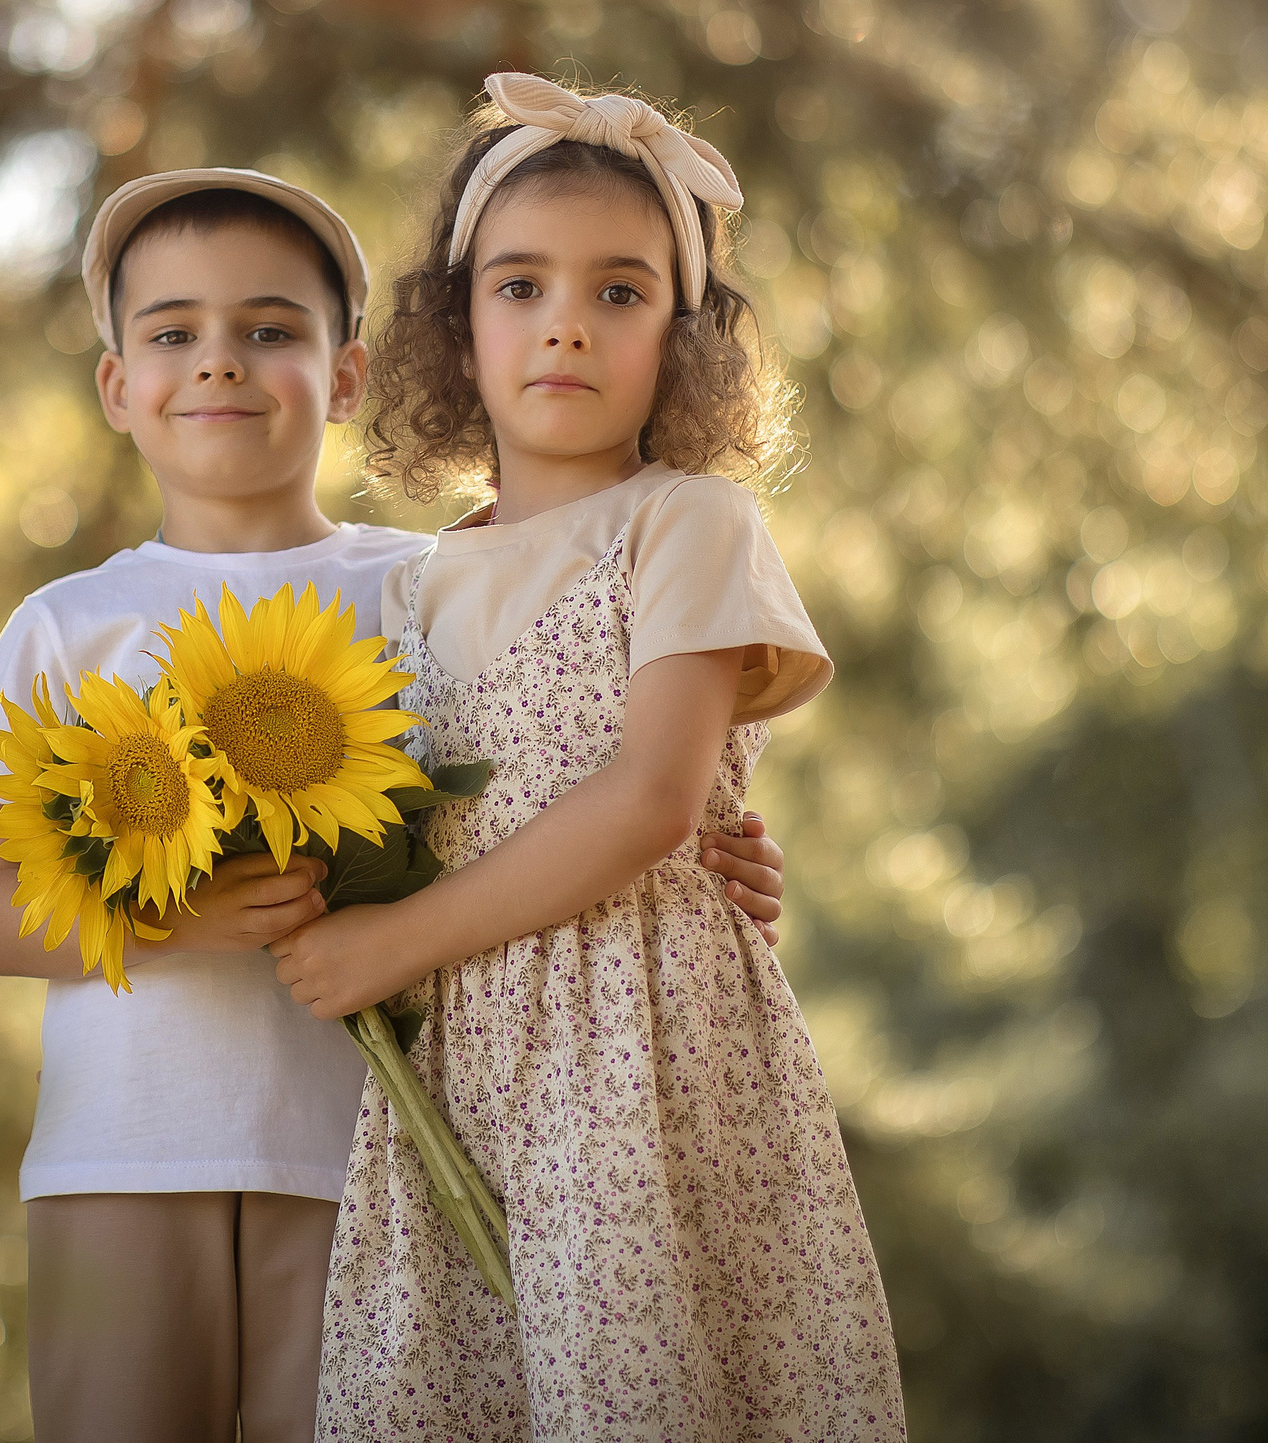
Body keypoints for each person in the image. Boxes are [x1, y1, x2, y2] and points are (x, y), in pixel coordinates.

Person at [0, 166, 797, 1443]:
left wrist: (712, 858)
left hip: (369, 1157)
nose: (219, 364)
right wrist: (192, 919)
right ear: (118, 386)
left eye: (269, 331)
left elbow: (556, 777)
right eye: (172, 334)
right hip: (122, 1149)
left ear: (346, 377)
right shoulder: (66, 625)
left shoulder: (426, 588)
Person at [270, 76, 907, 1441]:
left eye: (620, 292)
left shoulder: (687, 524)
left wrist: (393, 946)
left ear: (687, 341)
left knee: (635, 1380)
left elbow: (649, 800)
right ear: (456, 327)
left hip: (639, 1050)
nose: (566, 318)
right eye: (520, 286)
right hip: (466, 1062)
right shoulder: (413, 583)